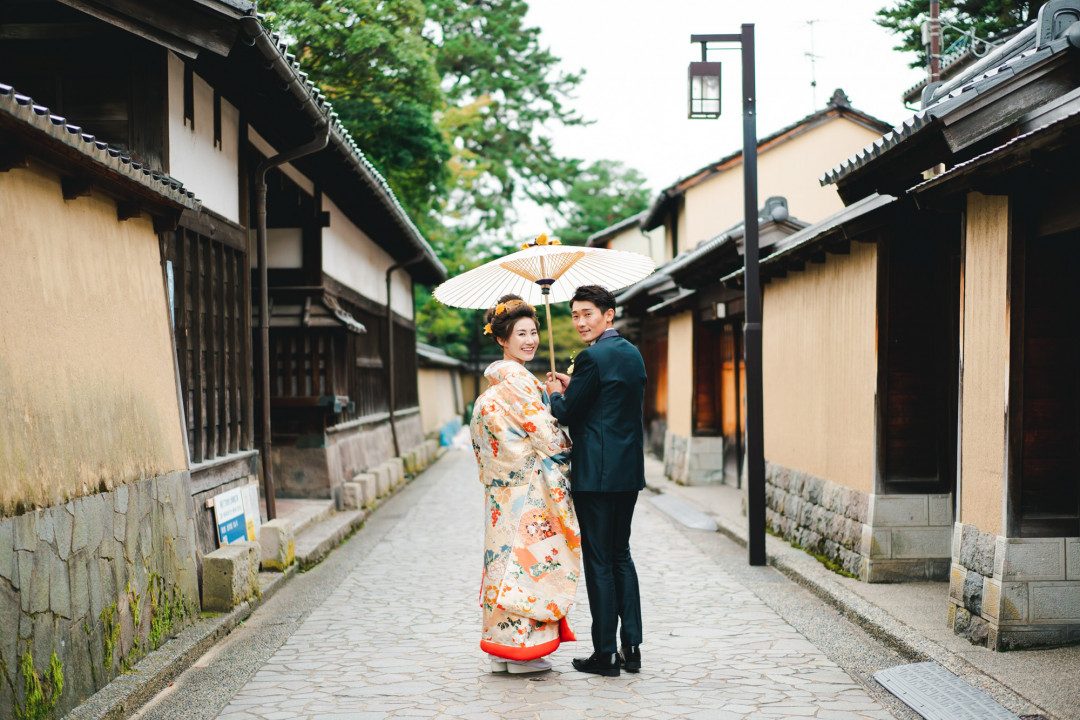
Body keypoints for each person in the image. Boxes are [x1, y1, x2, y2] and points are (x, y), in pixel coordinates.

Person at [470, 294, 582, 674]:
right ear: (502, 339)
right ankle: (523, 651)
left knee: (502, 564)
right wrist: (557, 411)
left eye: (534, 332)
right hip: (530, 493)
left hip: (502, 496)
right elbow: (549, 436)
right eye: (521, 333)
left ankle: (500, 649)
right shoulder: (520, 382)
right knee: (531, 566)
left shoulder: (492, 388)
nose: (531, 340)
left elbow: (482, 447)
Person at [545, 285, 646, 678]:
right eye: (574, 315)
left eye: (587, 313)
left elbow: (567, 412)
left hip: (596, 476)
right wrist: (576, 387)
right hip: (627, 472)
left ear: (609, 314)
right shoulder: (631, 354)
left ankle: (604, 653)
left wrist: (556, 392)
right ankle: (631, 647)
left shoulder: (591, 357)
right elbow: (607, 402)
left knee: (600, 561)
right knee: (621, 555)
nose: (580, 321)